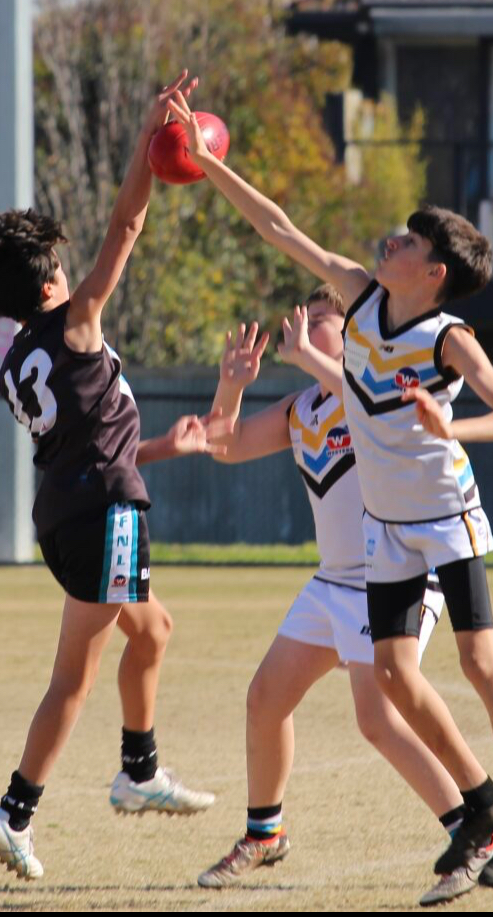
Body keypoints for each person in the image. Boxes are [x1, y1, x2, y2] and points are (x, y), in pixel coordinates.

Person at [166, 85, 493, 892]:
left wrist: (455, 427)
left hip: (443, 515)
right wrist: (205, 161)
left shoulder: (446, 337)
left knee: (478, 660)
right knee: (393, 681)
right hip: (386, 530)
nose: (389, 240)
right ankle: (478, 802)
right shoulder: (362, 298)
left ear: (433, 272)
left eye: (408, 240)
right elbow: (278, 227)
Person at [197, 285, 493, 905]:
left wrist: (313, 357)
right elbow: (225, 445)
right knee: (265, 699)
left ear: (353, 334)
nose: (305, 326)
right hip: (334, 579)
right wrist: (231, 385)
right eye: (306, 318)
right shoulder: (302, 407)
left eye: (323, 321)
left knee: (377, 718)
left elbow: (360, 396)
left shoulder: (372, 391)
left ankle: (474, 832)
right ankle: (265, 833)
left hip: (394, 573)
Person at [0, 71, 231, 881]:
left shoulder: (14, 356)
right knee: (74, 677)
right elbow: (127, 223)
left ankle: (139, 768)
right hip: (103, 515)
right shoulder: (73, 324)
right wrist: (149, 143)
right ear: (49, 286)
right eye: (61, 268)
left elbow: (94, 440)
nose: (73, 274)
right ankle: (15, 811)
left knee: (153, 629)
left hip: (71, 513)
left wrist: (163, 443)